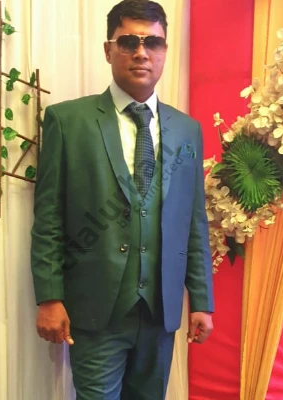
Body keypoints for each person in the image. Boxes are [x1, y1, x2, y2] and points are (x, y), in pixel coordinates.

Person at [30, 0, 214, 399]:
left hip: (159, 312)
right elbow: (48, 218)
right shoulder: (69, 121)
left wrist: (201, 300)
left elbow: (193, 221)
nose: (141, 52)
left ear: (165, 50)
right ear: (108, 49)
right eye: (129, 41)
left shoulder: (187, 130)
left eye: (153, 42)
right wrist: (49, 297)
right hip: (95, 310)